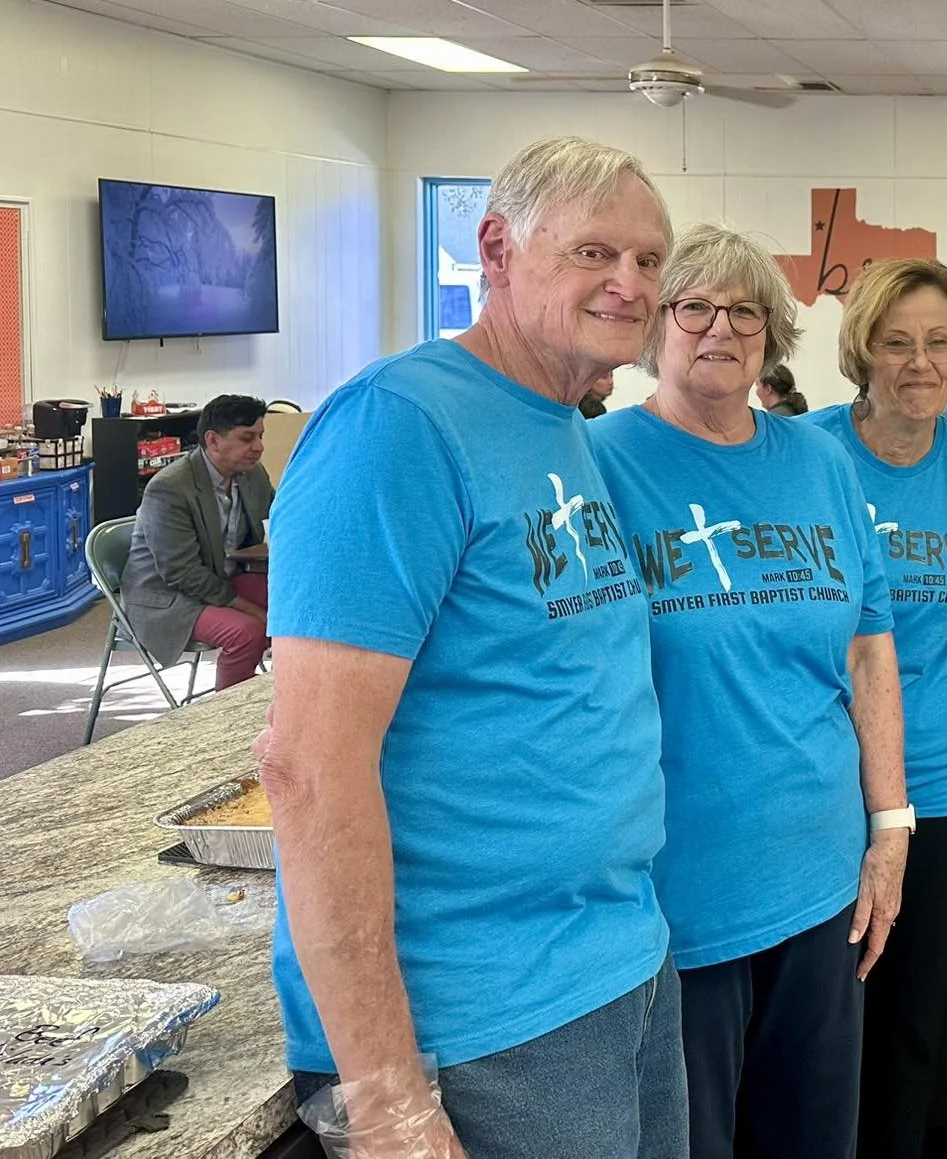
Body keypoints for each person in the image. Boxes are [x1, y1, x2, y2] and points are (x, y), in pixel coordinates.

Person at [261, 137, 683, 1159]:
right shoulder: (397, 426)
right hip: (484, 1020)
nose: (629, 284)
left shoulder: (560, 424)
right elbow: (309, 768)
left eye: (647, 259)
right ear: (496, 249)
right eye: (593, 253)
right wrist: (387, 1097)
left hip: (617, 961)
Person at [590, 222, 905, 1159]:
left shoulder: (820, 463)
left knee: (814, 1140)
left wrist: (891, 830)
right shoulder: (598, 463)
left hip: (822, 878)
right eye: (693, 307)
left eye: (746, 311)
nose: (720, 329)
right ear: (656, 325)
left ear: (774, 333)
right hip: (672, 892)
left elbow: (869, 654)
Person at [805, 257, 947, 1159]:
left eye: (939, 342)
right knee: (821, 1024)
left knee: (914, 1022)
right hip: (822, 785)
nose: (920, 362)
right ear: (862, 350)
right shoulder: (806, 452)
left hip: (942, 782)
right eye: (897, 342)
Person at [120, 393, 274, 690]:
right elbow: (181, 572)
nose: (259, 447)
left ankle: (286, 698)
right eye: (247, 438)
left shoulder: (252, 475)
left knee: (297, 604)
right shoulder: (169, 488)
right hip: (168, 596)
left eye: (260, 436)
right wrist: (254, 611)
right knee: (248, 632)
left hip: (220, 579)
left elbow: (277, 522)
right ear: (213, 441)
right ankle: (229, 713)